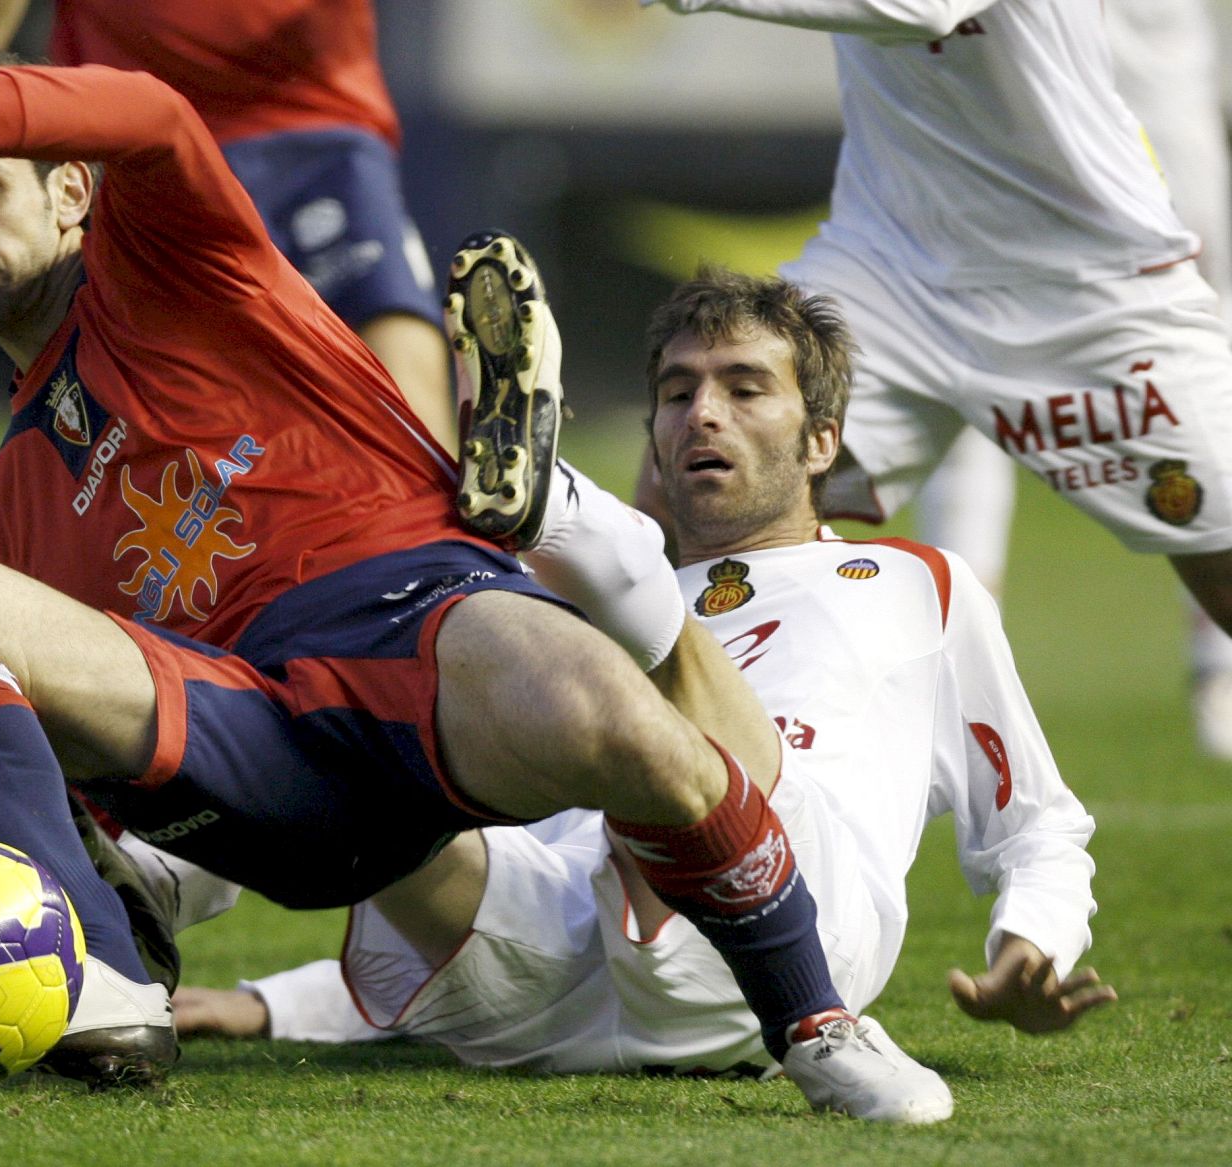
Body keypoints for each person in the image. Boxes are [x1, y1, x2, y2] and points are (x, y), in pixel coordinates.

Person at [0, 15, 938, 1117]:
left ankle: (817, 1026)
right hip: (257, 749)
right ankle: (95, 969)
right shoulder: (19, 493)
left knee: (608, 710)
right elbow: (104, 705)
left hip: (414, 627)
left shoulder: (177, 264)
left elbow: (153, 113)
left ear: (74, 196)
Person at [166, 265, 1115, 1103]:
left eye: (746, 389)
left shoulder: (917, 583)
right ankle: (153, 861)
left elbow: (1037, 823)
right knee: (378, 742)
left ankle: (552, 508)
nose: (703, 413)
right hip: (550, 985)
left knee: (629, 688)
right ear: (657, 433)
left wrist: (1033, 938)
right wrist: (267, 1004)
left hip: (802, 918)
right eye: (678, 392)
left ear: (823, 440)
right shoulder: (567, 624)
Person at [634, 2, 1232, 679]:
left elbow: (927, 7)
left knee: (1223, 566)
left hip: (1083, 276)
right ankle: (650, 766)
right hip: (891, 262)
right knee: (676, 499)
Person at [912, 0, 1232, 759]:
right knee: (961, 371)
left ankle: (1219, 665)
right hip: (1024, 135)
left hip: (1155, 131)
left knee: (1197, 391)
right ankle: (963, 666)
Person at [0, 0, 456, 452]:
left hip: (306, 117)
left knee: (385, 331)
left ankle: (466, 533)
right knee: (168, 407)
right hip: (137, 148)